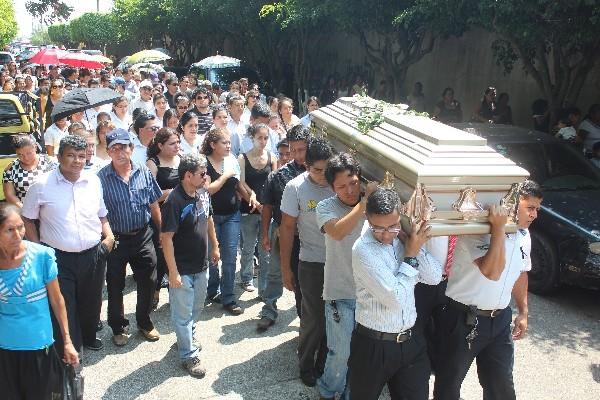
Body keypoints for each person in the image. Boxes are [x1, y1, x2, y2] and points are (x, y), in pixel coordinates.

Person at [433, 181, 543, 400]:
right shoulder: (477, 230)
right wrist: (499, 229)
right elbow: (491, 271)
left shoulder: (523, 235)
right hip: (464, 319)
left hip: (500, 319)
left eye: (537, 208)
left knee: (501, 386)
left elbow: (521, 272)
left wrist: (523, 311)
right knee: (449, 385)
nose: (534, 214)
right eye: (529, 207)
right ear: (510, 204)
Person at [22, 135, 115, 353]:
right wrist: (39, 249)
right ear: (59, 156)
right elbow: (27, 218)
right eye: (71, 155)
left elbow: (102, 214)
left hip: (94, 253)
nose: (77, 161)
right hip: (58, 257)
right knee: (65, 303)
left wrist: (109, 237)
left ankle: (89, 336)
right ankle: (71, 346)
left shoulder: (93, 181)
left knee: (92, 301)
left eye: (81, 156)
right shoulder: (41, 185)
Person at [349, 188, 441, 400]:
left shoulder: (402, 239)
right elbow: (396, 298)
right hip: (373, 345)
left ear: (400, 217)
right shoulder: (363, 250)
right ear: (367, 219)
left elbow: (434, 277)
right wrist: (410, 256)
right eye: (378, 228)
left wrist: (414, 244)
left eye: (392, 226)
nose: (386, 234)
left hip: (411, 341)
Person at [0, 204, 79, 399]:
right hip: (4, 349)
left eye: (21, 227)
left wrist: (67, 341)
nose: (18, 235)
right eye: (10, 230)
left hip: (38, 346)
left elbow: (57, 300)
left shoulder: (41, 256)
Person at [316, 153, 377, 400]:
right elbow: (338, 232)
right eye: (341, 186)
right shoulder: (326, 207)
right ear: (331, 187)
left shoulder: (375, 205)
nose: (350, 190)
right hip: (340, 293)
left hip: (370, 293)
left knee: (361, 354)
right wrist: (364, 204)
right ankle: (328, 390)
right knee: (340, 352)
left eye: (353, 183)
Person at [97, 128, 163, 346]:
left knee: (149, 279)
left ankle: (144, 322)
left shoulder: (143, 171)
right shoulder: (101, 178)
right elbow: (98, 213)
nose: (120, 152)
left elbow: (154, 203)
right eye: (114, 148)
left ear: (132, 148)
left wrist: (161, 231)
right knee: (115, 285)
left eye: (123, 147)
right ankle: (118, 327)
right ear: (108, 152)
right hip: (115, 238)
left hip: (143, 234)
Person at [280, 136, 335, 386]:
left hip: (339, 264)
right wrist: (285, 269)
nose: (322, 176)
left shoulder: (340, 184)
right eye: (316, 170)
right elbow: (287, 229)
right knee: (313, 318)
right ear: (306, 165)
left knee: (333, 317)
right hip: (311, 262)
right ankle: (306, 364)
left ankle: (324, 361)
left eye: (326, 170)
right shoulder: (296, 188)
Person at [161, 153, 219, 378]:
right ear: (187, 176)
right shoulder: (174, 201)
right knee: (182, 315)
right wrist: (173, 273)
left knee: (196, 308)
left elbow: (209, 218)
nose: (207, 177)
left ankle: (186, 338)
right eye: (203, 174)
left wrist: (215, 245)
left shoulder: (203, 192)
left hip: (201, 265)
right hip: (182, 270)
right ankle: (188, 355)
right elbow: (166, 238)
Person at [257, 126, 308, 332]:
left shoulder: (320, 173)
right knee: (276, 271)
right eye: (290, 152)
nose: (295, 156)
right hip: (282, 231)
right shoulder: (277, 176)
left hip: (310, 233)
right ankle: (269, 310)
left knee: (307, 277)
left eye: (299, 150)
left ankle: (306, 319)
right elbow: (267, 207)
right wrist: (265, 235)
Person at [203, 127, 246, 315]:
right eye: (225, 143)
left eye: (229, 142)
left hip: (232, 215)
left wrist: (251, 197)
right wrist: (226, 175)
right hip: (210, 218)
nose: (229, 146)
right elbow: (208, 189)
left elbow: (238, 184)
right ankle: (213, 290)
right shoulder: (203, 163)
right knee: (213, 256)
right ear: (213, 145)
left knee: (229, 257)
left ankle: (228, 297)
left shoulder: (232, 160)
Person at [238, 124, 277, 294]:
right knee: (248, 246)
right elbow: (240, 183)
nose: (263, 141)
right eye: (259, 138)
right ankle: (246, 278)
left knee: (265, 249)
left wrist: (266, 206)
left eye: (265, 138)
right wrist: (253, 199)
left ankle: (264, 287)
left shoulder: (272, 157)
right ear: (252, 138)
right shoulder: (242, 158)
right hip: (248, 210)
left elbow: (275, 182)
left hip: (267, 210)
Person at [146, 128, 181, 309]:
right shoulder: (153, 163)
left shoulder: (181, 160)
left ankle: (176, 293)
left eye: (178, 142)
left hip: (180, 215)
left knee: (178, 253)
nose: (177, 146)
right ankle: (155, 290)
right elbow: (149, 194)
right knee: (160, 256)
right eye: (172, 143)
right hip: (159, 215)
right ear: (160, 145)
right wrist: (169, 193)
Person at [3, 135, 56, 207]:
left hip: (51, 209)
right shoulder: (11, 168)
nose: (26, 158)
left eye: (29, 153)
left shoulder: (50, 162)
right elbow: (9, 195)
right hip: (24, 212)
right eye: (20, 155)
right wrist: (25, 212)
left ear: (35, 148)